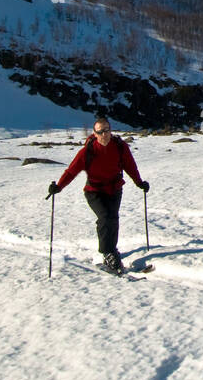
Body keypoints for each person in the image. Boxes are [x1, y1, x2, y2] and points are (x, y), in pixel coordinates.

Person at [47, 117, 148, 275]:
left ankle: (112, 250)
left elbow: (130, 166)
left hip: (114, 188)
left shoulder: (120, 147)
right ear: (94, 133)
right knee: (105, 217)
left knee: (113, 219)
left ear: (110, 130)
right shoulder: (87, 152)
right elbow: (71, 171)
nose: (104, 134)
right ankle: (107, 253)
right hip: (94, 191)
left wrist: (139, 182)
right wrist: (59, 186)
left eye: (106, 130)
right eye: (100, 131)